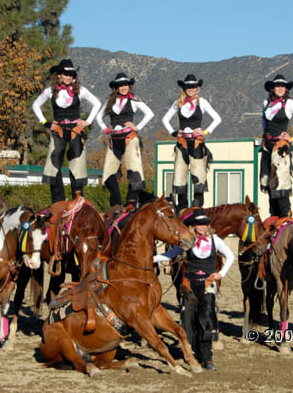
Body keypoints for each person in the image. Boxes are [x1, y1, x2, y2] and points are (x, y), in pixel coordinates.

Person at [153, 209, 234, 370]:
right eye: (199, 224)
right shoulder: (187, 241)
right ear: (193, 226)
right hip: (189, 284)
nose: (202, 227)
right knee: (188, 319)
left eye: (205, 223)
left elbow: (230, 256)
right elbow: (169, 255)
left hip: (208, 285)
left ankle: (206, 356)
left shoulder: (215, 240)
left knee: (207, 318)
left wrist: (221, 273)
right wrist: (149, 259)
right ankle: (189, 353)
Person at [32, 59, 102, 203]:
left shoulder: (80, 90)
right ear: (59, 75)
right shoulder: (51, 91)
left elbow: (97, 103)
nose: (69, 77)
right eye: (66, 74)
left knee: (77, 163)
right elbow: (35, 105)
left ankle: (77, 199)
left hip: (76, 130)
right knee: (54, 163)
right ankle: (58, 200)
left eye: (71, 74)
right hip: (58, 130)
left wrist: (87, 121)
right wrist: (45, 122)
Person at [162, 74, 221, 209]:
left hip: (196, 143)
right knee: (180, 175)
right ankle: (183, 208)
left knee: (199, 176)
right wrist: (174, 132)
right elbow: (165, 119)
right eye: (188, 87)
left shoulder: (202, 102)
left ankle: (197, 207)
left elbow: (217, 118)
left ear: (197, 88)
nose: (191, 89)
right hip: (182, 142)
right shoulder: (178, 103)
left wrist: (205, 131)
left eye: (193, 87)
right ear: (184, 88)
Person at [95, 72, 154, 206]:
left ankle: (130, 204)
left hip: (129, 139)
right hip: (114, 139)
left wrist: (137, 127)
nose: (123, 88)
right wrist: (105, 128)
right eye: (120, 85)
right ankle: (116, 204)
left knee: (134, 172)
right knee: (109, 174)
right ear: (116, 87)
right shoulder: (110, 102)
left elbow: (150, 114)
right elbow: (99, 117)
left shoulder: (134, 100)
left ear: (129, 86)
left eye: (125, 85)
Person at [259, 74, 293, 218]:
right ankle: (273, 216)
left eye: (283, 86)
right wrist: (265, 135)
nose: (280, 88)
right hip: (267, 147)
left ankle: (285, 217)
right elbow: (264, 122)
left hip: (280, 148)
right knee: (269, 183)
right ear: (272, 88)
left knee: (281, 183)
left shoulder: (289, 103)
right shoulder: (266, 103)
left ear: (286, 89)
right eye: (278, 86)